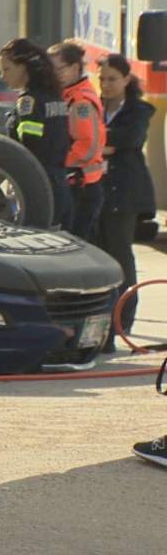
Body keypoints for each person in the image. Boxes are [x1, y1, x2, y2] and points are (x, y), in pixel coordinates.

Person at [94, 53, 155, 352]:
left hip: (125, 193)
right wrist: (101, 143)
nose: (105, 85)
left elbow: (129, 138)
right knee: (100, 255)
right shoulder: (95, 107)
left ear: (127, 80)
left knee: (121, 255)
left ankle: (125, 318)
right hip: (98, 191)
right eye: (102, 79)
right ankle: (104, 319)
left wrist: (98, 143)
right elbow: (87, 138)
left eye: (112, 79)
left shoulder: (138, 110)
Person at [0, 38, 71, 228]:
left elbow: (30, 149)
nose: (2, 76)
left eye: (7, 69)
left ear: (23, 67)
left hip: (37, 187)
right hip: (59, 183)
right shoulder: (54, 97)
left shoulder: (28, 101)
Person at [49, 40, 107, 239]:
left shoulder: (80, 102)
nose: (54, 75)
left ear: (75, 68)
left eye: (59, 69)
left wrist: (57, 163)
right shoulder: (68, 96)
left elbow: (87, 146)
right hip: (78, 183)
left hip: (83, 186)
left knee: (79, 245)